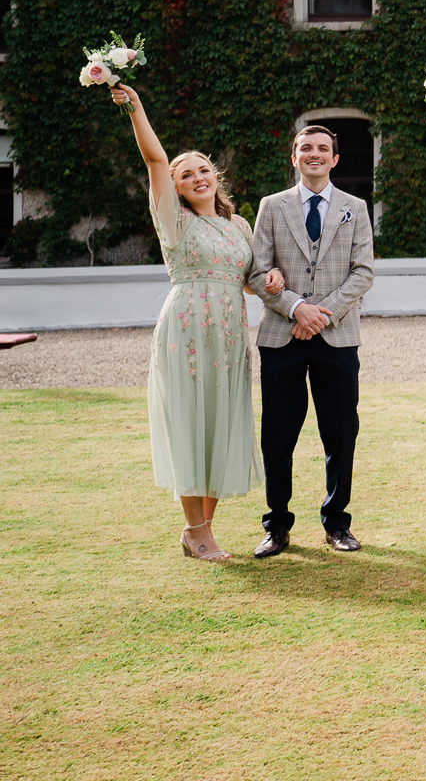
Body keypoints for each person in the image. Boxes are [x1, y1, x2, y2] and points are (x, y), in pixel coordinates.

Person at [112, 85, 280, 562]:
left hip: (229, 333)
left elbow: (248, 281)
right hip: (186, 329)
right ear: (177, 186)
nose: (197, 177)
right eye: (186, 174)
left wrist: (269, 277)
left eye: (204, 169)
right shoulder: (174, 221)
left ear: (216, 176)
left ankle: (200, 531)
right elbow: (153, 160)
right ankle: (196, 530)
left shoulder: (239, 226)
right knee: (189, 422)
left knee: (220, 424)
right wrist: (137, 108)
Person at [246, 123, 376, 557]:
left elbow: (363, 272)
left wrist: (320, 315)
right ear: (294, 157)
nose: (314, 154)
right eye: (306, 148)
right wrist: (294, 307)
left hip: (337, 336)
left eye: (323, 149)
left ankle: (337, 523)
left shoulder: (355, 207)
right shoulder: (272, 206)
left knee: (340, 432)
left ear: (335, 159)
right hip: (281, 334)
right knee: (277, 434)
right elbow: (256, 271)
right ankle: (277, 525)